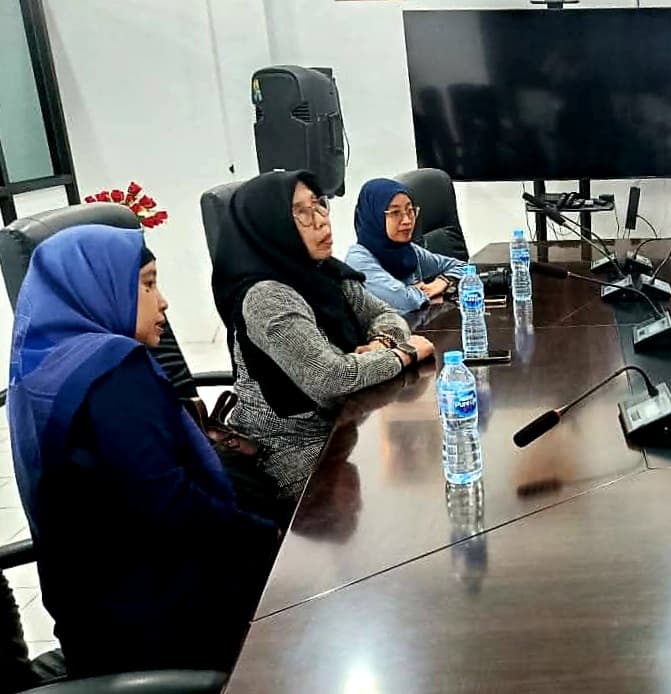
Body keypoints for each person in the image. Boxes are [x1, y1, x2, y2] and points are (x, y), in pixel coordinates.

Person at [8, 225, 280, 675]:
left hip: (92, 624)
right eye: (148, 284)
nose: (163, 301)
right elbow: (173, 504)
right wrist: (271, 539)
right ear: (101, 287)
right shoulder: (112, 370)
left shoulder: (38, 367)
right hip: (158, 624)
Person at [212, 170, 435, 499]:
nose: (321, 221)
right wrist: (404, 354)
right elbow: (330, 378)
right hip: (292, 451)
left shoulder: (325, 271)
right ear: (272, 225)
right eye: (301, 213)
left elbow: (385, 314)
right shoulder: (266, 298)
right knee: (408, 489)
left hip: (344, 425)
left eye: (319, 205)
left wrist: (383, 342)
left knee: (422, 478)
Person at [345, 178, 466, 314]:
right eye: (395, 213)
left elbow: (464, 267)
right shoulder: (358, 260)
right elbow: (403, 301)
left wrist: (443, 281)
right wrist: (420, 294)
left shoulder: (408, 250)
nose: (407, 220)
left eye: (410, 210)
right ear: (374, 217)